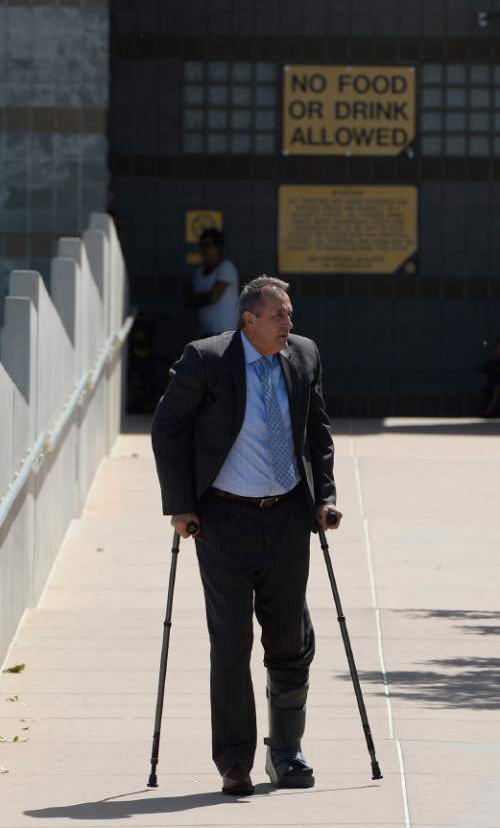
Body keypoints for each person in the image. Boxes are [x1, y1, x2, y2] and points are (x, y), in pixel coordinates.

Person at [152, 275, 342, 796]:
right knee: (232, 643)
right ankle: (234, 761)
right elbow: (168, 427)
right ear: (249, 320)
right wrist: (181, 504)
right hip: (224, 521)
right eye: (279, 314)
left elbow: (317, 432)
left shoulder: (303, 356)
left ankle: (286, 752)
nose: (289, 322)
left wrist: (323, 497)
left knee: (288, 640)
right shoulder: (206, 359)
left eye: (290, 313)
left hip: (286, 518)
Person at [187, 228, 239, 336]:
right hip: (204, 332)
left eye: (207, 245)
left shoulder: (226, 268)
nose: (203, 249)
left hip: (225, 334)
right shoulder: (199, 272)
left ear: (218, 248)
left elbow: (213, 297)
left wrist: (199, 298)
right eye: (201, 245)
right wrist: (203, 297)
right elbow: (189, 301)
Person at [478, 337, 500, 417]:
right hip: (492, 387)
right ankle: (487, 410)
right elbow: (482, 369)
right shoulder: (493, 362)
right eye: (498, 347)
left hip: (496, 388)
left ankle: (489, 410)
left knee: (497, 388)